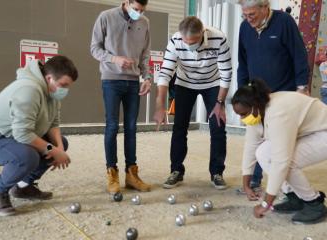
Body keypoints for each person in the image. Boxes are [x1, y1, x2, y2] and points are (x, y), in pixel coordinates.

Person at [0, 56, 78, 216]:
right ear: (49, 78)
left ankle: (23, 187)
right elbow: (23, 134)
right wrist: (54, 151)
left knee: (61, 142)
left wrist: (59, 148)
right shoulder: (28, 90)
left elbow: (53, 123)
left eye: (68, 87)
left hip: (13, 136)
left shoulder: (52, 93)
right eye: (63, 85)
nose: (65, 91)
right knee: (27, 157)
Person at [232, 79, 327, 224]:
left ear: (255, 106)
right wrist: (246, 185)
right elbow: (250, 147)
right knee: (262, 153)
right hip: (309, 132)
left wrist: (266, 204)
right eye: (240, 115)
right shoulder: (257, 112)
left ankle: (314, 203)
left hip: (323, 132)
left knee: (287, 162)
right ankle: (295, 197)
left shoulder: (278, 112)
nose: (242, 119)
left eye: (243, 114)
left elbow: (281, 161)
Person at [237, 0, 309, 191]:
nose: (247, 19)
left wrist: (302, 87)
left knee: (279, 145)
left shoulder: (284, 22)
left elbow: (299, 55)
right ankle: (253, 179)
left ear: (264, 7)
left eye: (251, 14)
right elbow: (242, 63)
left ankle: (288, 189)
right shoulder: (244, 27)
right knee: (254, 137)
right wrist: (242, 93)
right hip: (256, 96)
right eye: (244, 15)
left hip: (284, 95)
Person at [154, 16, 232, 190]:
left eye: (194, 41)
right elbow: (165, 74)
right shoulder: (175, 40)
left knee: (218, 126)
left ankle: (217, 172)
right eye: (186, 41)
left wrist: (219, 103)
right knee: (179, 127)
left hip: (212, 83)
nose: (190, 45)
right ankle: (176, 171)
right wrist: (160, 106)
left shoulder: (218, 38)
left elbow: (226, 73)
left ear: (202, 33)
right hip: (185, 83)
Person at [90, 0, 152, 195]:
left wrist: (147, 77)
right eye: (136, 9)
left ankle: (131, 175)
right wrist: (114, 58)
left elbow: (145, 54)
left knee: (132, 127)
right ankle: (112, 173)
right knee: (112, 126)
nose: (139, 13)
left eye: (142, 10)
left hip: (133, 82)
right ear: (126, 2)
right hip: (111, 80)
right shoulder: (106, 17)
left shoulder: (144, 22)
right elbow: (94, 48)